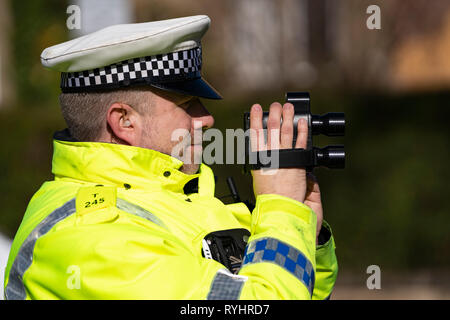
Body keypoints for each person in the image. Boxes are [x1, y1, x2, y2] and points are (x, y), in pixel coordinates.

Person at [4, 15, 337, 300]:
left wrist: (306, 230)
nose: (207, 118)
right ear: (124, 122)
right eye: (187, 104)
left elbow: (282, 288)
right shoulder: (87, 240)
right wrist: (281, 209)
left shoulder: (182, 201)